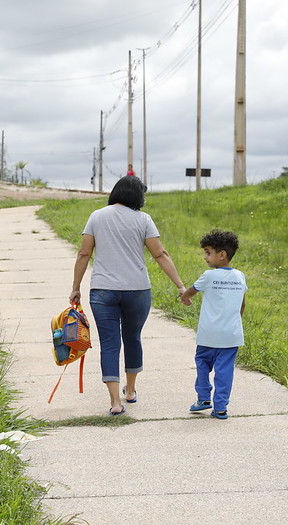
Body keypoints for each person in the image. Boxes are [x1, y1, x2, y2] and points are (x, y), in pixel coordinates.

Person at [70, 176, 186, 415]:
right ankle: (130, 391)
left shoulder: (96, 216)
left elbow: (84, 254)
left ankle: (115, 402)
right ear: (137, 196)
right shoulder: (144, 220)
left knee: (110, 344)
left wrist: (76, 287)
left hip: (103, 290)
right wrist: (180, 285)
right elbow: (160, 254)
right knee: (132, 338)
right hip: (137, 290)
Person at [180, 230, 247, 420]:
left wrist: (184, 298)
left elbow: (191, 291)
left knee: (202, 364)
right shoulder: (240, 276)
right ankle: (221, 408)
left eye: (208, 252)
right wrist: (233, 321)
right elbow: (242, 305)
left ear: (222, 254)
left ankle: (203, 398)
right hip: (231, 335)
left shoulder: (208, 276)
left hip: (208, 335)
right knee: (224, 371)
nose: (205, 257)